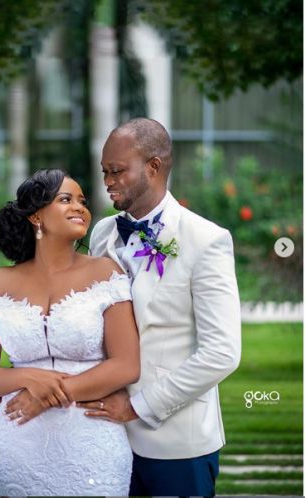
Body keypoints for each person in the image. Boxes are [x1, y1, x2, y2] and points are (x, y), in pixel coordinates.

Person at [78, 117, 241, 496]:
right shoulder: (102, 232)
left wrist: (137, 407)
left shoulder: (207, 240)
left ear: (153, 167)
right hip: (102, 436)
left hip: (175, 443)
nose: (108, 181)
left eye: (117, 171)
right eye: (105, 171)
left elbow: (222, 353)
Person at [0, 168, 140, 497]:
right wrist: (29, 378)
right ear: (36, 216)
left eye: (82, 201)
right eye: (66, 200)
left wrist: (46, 396)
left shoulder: (106, 273)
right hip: (17, 440)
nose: (80, 207)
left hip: (92, 442)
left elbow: (127, 364)